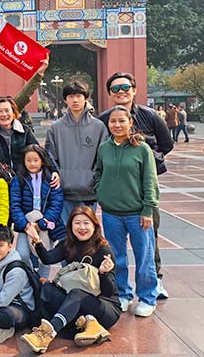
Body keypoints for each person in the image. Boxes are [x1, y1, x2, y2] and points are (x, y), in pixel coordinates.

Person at [97, 72, 173, 300]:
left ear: (134, 89)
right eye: (116, 88)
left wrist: (149, 159)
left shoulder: (149, 116)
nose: (121, 91)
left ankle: (153, 285)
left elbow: (167, 144)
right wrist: (102, 190)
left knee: (149, 243)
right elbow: (100, 164)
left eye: (126, 87)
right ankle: (122, 293)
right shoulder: (103, 120)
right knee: (117, 252)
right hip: (114, 203)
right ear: (109, 93)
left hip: (142, 195)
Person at [20, 206, 121, 353]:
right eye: (77, 223)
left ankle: (47, 334)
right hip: (79, 302)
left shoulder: (103, 250)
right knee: (48, 289)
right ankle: (89, 324)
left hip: (105, 306)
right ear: (71, 226)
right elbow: (48, 259)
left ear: (94, 225)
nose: (82, 227)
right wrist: (36, 240)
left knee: (76, 294)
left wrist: (104, 273)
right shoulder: (67, 244)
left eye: (86, 223)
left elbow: (109, 291)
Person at [95, 105, 159, 317]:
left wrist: (148, 209)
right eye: (113, 121)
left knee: (144, 257)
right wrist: (101, 192)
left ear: (130, 123)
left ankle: (148, 297)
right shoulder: (104, 148)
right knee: (116, 257)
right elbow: (98, 172)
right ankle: (122, 294)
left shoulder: (142, 148)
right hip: (112, 213)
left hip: (137, 213)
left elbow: (150, 180)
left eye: (122, 120)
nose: (117, 125)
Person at [45, 81, 107, 226]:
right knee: (66, 235)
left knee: (86, 233)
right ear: (65, 99)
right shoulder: (56, 128)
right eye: (70, 96)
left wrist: (94, 179)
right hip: (64, 192)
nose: (75, 100)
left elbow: (102, 158)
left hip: (88, 192)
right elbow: (50, 157)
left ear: (86, 98)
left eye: (78, 96)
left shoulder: (98, 127)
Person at [10, 144, 64, 276]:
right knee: (21, 254)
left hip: (45, 224)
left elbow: (56, 204)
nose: (32, 163)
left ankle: (44, 283)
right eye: (29, 160)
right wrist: (26, 225)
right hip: (26, 225)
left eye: (36, 160)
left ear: (42, 161)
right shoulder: (19, 179)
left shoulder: (51, 178)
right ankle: (31, 277)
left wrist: (42, 224)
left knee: (44, 256)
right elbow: (15, 204)